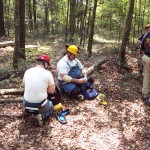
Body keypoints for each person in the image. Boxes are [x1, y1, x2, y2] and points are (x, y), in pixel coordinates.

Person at [22, 54, 55, 126]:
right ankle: (41, 116)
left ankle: (31, 113)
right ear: (46, 64)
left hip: (26, 103)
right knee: (51, 106)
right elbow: (51, 91)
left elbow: (24, 85)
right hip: (40, 104)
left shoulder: (28, 71)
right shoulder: (48, 73)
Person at [140, 24, 150, 105]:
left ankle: (145, 94)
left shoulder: (146, 35)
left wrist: (144, 56)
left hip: (146, 57)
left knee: (146, 75)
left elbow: (142, 48)